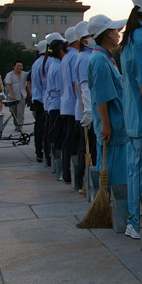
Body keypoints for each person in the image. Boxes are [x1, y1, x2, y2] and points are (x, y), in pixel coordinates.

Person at [118, 0, 142, 240]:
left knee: (134, 171)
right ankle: (138, 220)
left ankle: (134, 218)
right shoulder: (141, 38)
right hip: (141, 115)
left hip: (132, 115)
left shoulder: (130, 38)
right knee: (141, 172)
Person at [85, 14, 129, 194]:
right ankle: (109, 202)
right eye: (116, 31)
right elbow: (102, 96)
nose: (119, 34)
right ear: (107, 34)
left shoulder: (105, 57)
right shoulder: (99, 61)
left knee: (115, 168)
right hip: (112, 125)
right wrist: (106, 123)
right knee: (113, 171)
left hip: (116, 124)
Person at [74, 20, 96, 189]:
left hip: (89, 110)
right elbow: (84, 86)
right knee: (87, 149)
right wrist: (88, 111)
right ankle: (83, 181)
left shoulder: (88, 56)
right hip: (87, 112)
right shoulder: (84, 58)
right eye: (91, 35)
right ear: (83, 40)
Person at [59, 28, 81, 184]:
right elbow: (75, 84)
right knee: (73, 143)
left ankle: (67, 173)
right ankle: (71, 175)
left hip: (65, 104)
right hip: (73, 105)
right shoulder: (75, 56)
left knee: (67, 142)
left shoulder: (66, 56)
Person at [43, 35, 66, 169]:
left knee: (56, 137)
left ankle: (56, 167)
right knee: (59, 139)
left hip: (53, 105)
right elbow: (61, 90)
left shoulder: (53, 64)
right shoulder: (58, 67)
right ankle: (59, 169)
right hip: (58, 107)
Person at [30, 41, 48, 163]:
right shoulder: (45, 62)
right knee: (44, 127)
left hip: (37, 98)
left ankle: (39, 151)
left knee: (38, 126)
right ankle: (44, 152)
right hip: (43, 99)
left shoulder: (35, 63)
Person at [5, 60, 29, 127]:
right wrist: (11, 95)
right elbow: (8, 84)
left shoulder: (24, 74)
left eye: (21, 66)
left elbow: (31, 72)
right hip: (13, 96)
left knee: (20, 112)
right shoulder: (9, 74)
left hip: (22, 96)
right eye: (17, 66)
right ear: (14, 66)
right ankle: (16, 124)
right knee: (14, 112)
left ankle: (20, 126)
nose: (19, 67)